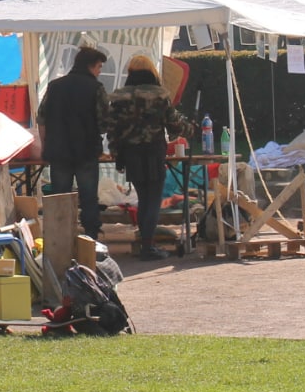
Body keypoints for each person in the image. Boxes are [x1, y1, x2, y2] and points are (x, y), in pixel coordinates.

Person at [105, 54, 195, 260]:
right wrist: (190, 129)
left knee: (144, 198)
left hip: (130, 155)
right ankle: (147, 246)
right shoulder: (159, 96)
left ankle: (146, 243)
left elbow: (112, 130)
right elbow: (174, 124)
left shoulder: (119, 98)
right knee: (153, 200)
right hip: (153, 152)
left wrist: (116, 154)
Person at [37, 45, 109, 239]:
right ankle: (91, 238)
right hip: (86, 151)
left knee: (60, 197)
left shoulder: (54, 86)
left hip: (58, 151)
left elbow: (41, 118)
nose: (99, 72)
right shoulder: (96, 88)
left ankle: (59, 237)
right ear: (90, 66)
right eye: (99, 67)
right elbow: (104, 122)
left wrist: (45, 146)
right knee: (88, 197)